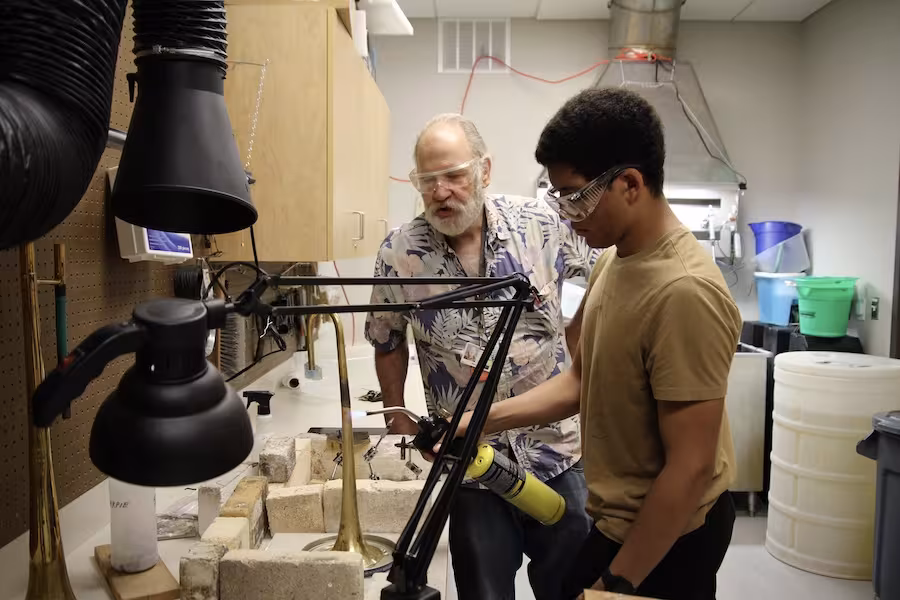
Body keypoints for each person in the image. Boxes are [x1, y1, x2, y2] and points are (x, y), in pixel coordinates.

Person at [452, 88, 741, 600]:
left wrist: (618, 584)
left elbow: (691, 467)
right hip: (616, 521)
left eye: (575, 194)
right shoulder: (615, 259)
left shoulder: (684, 291)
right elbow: (581, 379)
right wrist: (480, 419)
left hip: (671, 535)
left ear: (630, 184)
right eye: (556, 195)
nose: (565, 212)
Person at [365, 113, 599, 600]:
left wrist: (582, 351)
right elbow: (387, 340)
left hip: (557, 453)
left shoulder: (542, 223)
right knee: (483, 593)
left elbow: (601, 278)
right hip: (468, 465)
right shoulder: (399, 253)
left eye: (453, 174)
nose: (441, 191)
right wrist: (397, 421)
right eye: (428, 180)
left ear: (484, 171)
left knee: (570, 587)